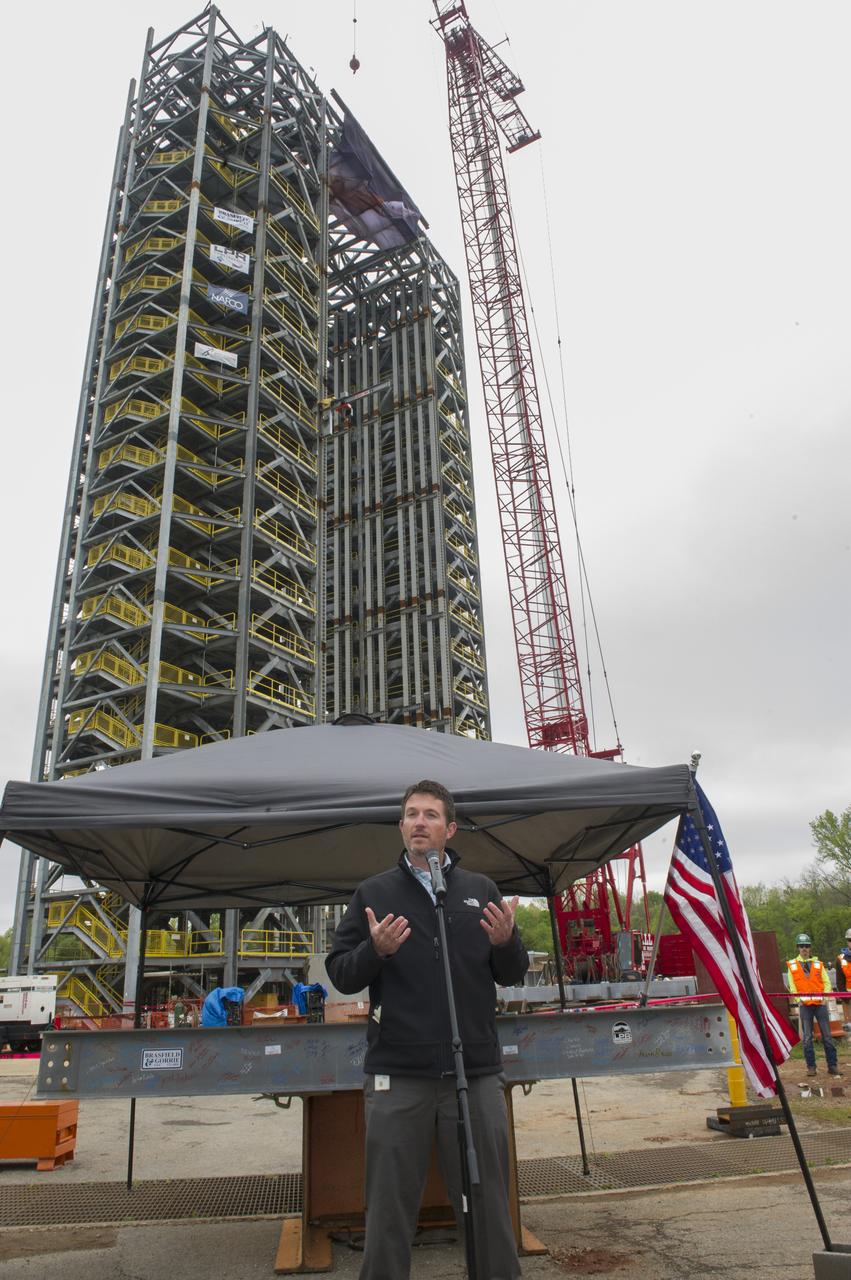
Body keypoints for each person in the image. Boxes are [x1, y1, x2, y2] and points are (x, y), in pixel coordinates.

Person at [325, 779, 529, 1280]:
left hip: (474, 1072)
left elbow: (512, 972)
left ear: (450, 828)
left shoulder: (479, 891)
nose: (420, 822)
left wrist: (506, 942)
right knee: (390, 1207)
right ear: (401, 827)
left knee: (486, 1202)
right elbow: (342, 973)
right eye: (412, 814)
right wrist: (376, 950)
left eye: (431, 814)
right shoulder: (374, 893)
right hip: (399, 1075)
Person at [787, 933, 842, 1079]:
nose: (804, 949)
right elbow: (792, 985)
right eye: (801, 946)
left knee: (827, 1036)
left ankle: (832, 1066)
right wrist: (799, 1000)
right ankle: (811, 1067)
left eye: (806, 946)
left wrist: (825, 998)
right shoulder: (792, 965)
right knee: (806, 1038)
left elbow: (827, 982)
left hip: (820, 1005)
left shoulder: (819, 964)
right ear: (798, 948)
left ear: (810, 948)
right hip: (805, 1006)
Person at [835, 928, 851, 994]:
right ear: (847, 941)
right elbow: (840, 982)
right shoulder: (840, 959)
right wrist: (845, 999)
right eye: (850, 940)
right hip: (848, 999)